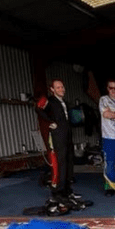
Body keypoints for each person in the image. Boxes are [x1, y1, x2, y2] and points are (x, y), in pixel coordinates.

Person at [35, 79, 85, 213]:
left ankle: (68, 191)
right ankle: (58, 192)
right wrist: (50, 122)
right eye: (58, 87)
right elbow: (38, 108)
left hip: (67, 134)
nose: (61, 89)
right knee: (60, 163)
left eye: (62, 87)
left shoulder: (64, 102)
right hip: (58, 136)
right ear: (52, 89)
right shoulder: (50, 101)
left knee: (69, 162)